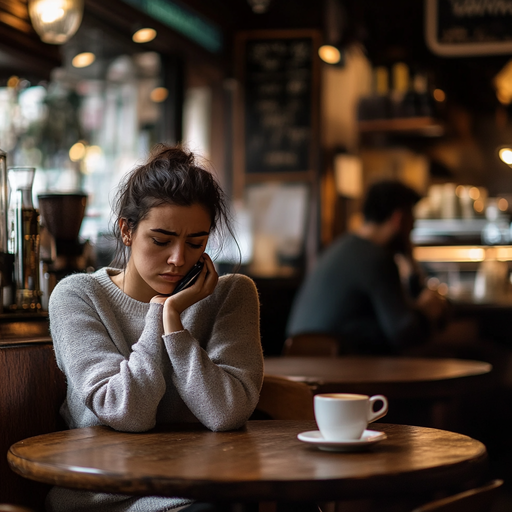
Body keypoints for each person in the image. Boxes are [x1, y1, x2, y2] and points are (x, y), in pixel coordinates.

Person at [46, 144, 264, 512]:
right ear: (126, 231)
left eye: (196, 242)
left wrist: (174, 326)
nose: (179, 259)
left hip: (205, 490)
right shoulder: (78, 296)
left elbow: (226, 412)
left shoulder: (232, 294)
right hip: (107, 497)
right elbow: (125, 412)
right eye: (161, 240)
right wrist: (161, 311)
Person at [286, 179, 448, 355]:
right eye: (412, 223)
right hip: (338, 372)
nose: (411, 233)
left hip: (302, 365)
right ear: (398, 219)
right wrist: (425, 311)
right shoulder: (377, 259)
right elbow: (404, 334)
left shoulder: (341, 247)